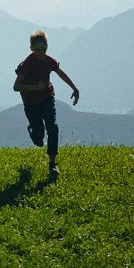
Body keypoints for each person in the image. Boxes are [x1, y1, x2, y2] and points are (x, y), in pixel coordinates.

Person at [13, 30, 80, 179]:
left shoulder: (49, 61)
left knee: (53, 127)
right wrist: (34, 87)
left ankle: (52, 164)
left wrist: (74, 88)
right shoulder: (27, 64)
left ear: (47, 46)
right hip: (31, 104)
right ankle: (34, 130)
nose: (41, 53)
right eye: (37, 50)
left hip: (47, 98)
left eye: (44, 49)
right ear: (31, 48)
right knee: (38, 139)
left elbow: (60, 72)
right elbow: (16, 87)